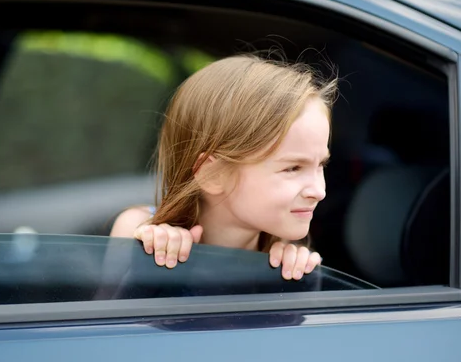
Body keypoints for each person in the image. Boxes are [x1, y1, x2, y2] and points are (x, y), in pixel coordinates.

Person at [110, 54, 337, 281]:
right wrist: (149, 260)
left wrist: (292, 284)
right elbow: (109, 311)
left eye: (321, 165)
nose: (319, 191)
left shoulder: (286, 263)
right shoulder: (138, 230)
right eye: (293, 168)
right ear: (213, 174)